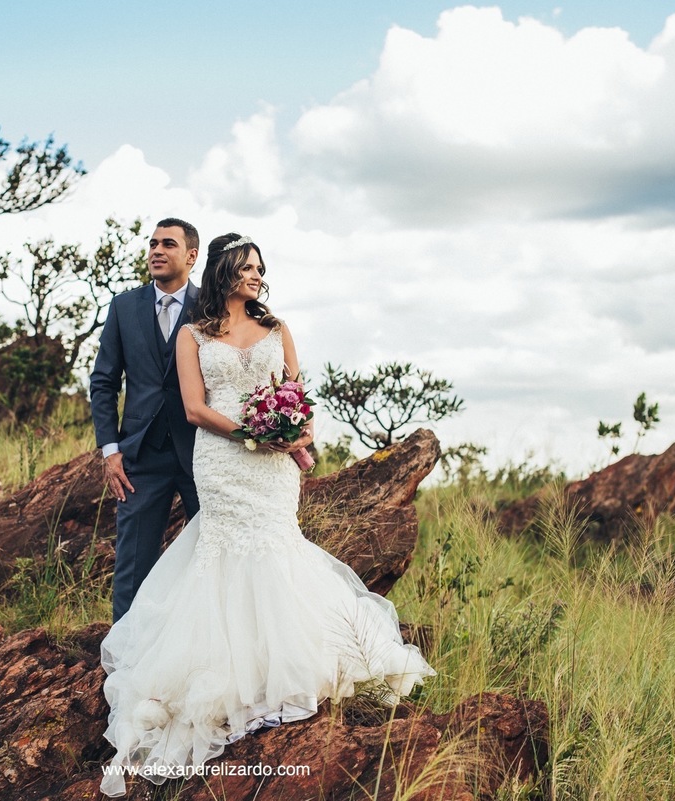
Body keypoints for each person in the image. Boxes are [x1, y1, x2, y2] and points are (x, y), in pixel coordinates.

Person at [99, 233, 435, 797]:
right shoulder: (193, 335)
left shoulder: (278, 330)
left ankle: (291, 663)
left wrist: (298, 431)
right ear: (226, 270)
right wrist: (253, 432)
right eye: (248, 267)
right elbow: (194, 407)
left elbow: (297, 395)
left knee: (277, 546)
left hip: (275, 467)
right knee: (224, 551)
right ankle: (219, 673)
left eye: (261, 268)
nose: (257, 275)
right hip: (222, 461)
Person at [90, 217, 202, 623]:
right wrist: (111, 450)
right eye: (153, 243)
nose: (156, 250)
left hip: (203, 455)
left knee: (214, 559)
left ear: (191, 256)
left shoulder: (210, 307)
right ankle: (124, 662)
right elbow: (103, 382)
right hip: (139, 458)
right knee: (133, 566)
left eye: (167, 244)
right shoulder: (123, 307)